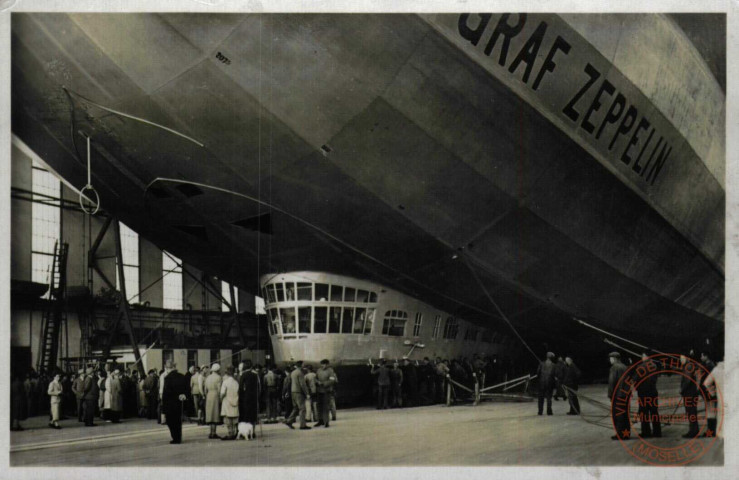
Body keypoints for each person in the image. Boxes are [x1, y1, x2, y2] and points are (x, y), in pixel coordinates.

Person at [161, 360, 189, 444]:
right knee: (178, 421)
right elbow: (187, 389)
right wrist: (184, 395)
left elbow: (166, 393)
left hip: (170, 404)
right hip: (179, 402)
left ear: (167, 368)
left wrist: (164, 407)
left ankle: (175, 438)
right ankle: (178, 437)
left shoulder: (167, 378)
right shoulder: (182, 376)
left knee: (171, 421)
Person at [634, 353, 661, 438]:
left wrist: (637, 388)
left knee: (644, 413)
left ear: (646, 357)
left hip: (643, 393)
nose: (641, 358)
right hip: (653, 392)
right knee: (654, 412)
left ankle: (646, 432)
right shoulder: (654, 366)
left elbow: (636, 379)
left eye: (642, 356)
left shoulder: (640, 366)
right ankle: (657, 432)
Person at [607, 351, 630, 440]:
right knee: (625, 415)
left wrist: (610, 395)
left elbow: (612, 382)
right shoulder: (625, 367)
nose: (610, 360)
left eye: (610, 358)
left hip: (618, 396)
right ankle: (626, 433)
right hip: (626, 395)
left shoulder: (614, 368)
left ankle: (620, 434)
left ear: (614, 359)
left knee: (618, 415)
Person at [284, 361, 311, 430]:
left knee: (296, 408)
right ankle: (303, 425)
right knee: (302, 408)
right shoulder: (300, 373)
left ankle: (289, 421)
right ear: (301, 365)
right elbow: (302, 384)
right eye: (303, 364)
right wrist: (307, 393)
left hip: (293, 392)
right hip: (299, 392)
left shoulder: (293, 372)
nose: (304, 366)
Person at [679, 352, 700, 438]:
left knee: (691, 412)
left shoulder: (688, 366)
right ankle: (694, 430)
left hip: (689, 393)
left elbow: (687, 380)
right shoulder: (688, 366)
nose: (681, 360)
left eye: (682, 358)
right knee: (692, 412)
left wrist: (682, 390)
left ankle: (693, 432)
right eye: (680, 359)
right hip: (691, 393)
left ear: (687, 358)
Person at [238, 361, 260, 438]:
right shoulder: (255, 375)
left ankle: (246, 432)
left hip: (245, 398)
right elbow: (258, 387)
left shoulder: (243, 375)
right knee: (253, 415)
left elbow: (241, 387)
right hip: (253, 398)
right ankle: (253, 432)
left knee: (245, 415)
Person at [703, 359, 723, 438]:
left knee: (711, 413)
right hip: (711, 393)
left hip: (710, 394)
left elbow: (707, 382)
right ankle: (712, 431)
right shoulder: (712, 366)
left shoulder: (709, 367)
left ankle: (711, 432)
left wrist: (712, 393)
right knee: (712, 412)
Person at [315, 359, 337, 427]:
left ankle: (326, 422)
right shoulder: (318, 370)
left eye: (324, 364)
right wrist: (317, 382)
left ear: (327, 364)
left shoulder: (330, 371)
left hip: (327, 391)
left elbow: (332, 380)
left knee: (326, 407)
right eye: (322, 364)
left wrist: (324, 383)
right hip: (319, 391)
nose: (322, 365)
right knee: (319, 407)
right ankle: (320, 420)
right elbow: (315, 378)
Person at [220, 366, 240, 440]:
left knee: (228, 418)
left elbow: (222, 393)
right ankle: (235, 432)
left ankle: (230, 433)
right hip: (235, 401)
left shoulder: (225, 382)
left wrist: (221, 399)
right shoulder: (236, 382)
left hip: (227, 402)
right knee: (234, 418)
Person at [204, 363, 223, 439]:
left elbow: (205, 389)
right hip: (215, 395)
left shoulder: (208, 377)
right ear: (218, 370)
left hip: (209, 395)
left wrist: (207, 395)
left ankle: (211, 432)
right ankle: (214, 432)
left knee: (210, 414)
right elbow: (219, 389)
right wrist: (220, 398)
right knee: (215, 414)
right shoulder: (218, 377)